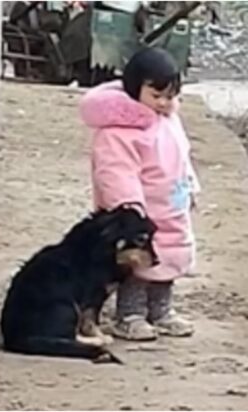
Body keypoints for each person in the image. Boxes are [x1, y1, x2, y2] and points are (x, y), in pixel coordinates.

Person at [79, 47, 200, 340]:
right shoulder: (118, 130)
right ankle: (129, 315)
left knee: (170, 255)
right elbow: (115, 171)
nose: (163, 103)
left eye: (169, 96)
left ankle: (161, 311)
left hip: (171, 202)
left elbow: (182, 155)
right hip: (141, 211)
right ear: (135, 89)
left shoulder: (170, 120)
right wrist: (128, 207)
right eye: (155, 96)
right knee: (138, 261)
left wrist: (191, 186)